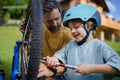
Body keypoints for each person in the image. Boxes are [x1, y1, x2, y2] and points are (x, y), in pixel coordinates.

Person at [38, 4, 120, 80]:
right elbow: (59, 58)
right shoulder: (70, 46)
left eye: (76, 27)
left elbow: (117, 67)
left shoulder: (100, 46)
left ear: (90, 26)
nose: (72, 31)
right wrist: (53, 59)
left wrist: (91, 68)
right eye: (70, 28)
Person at [19, 0, 73, 79]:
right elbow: (25, 53)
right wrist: (26, 34)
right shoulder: (39, 30)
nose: (54, 24)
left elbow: (66, 64)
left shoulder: (68, 34)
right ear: (42, 19)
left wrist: (50, 72)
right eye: (49, 21)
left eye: (57, 18)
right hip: (40, 71)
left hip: (58, 74)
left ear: (61, 14)